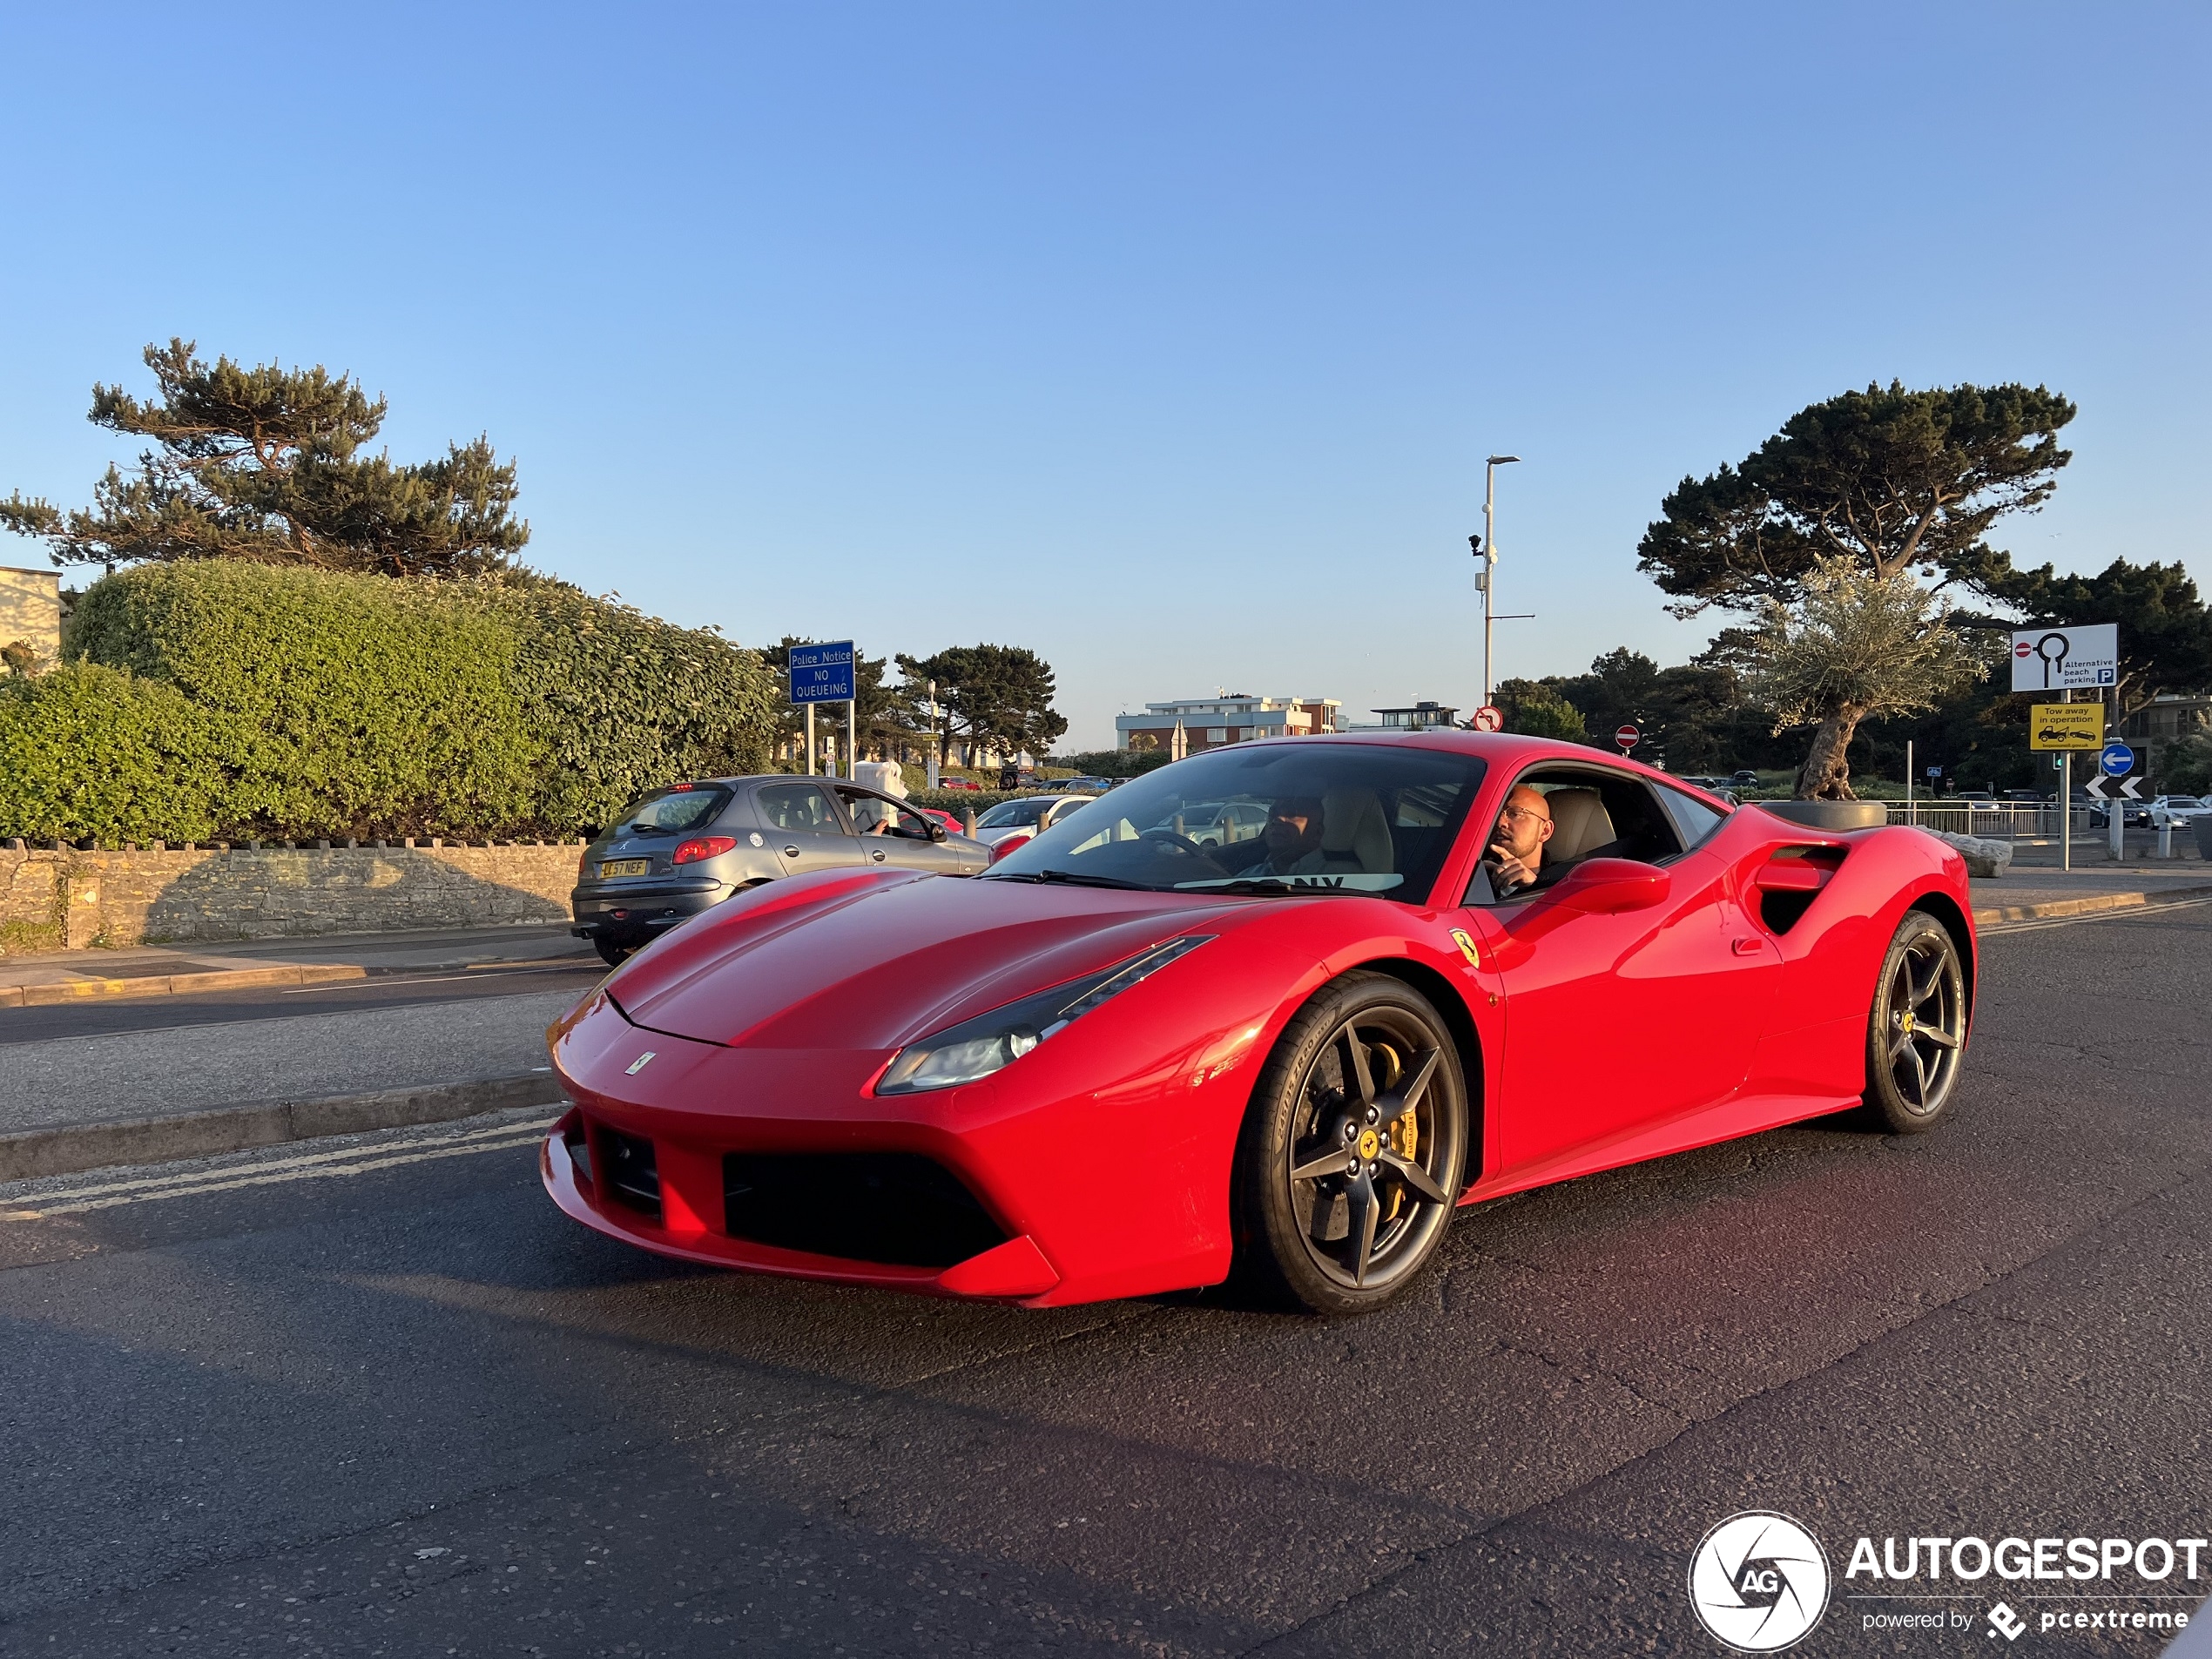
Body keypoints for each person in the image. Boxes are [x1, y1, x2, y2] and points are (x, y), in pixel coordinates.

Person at [1225, 797, 1328, 877]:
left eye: (1291, 815)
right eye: (1272, 815)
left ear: (1318, 833)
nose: (1277, 820)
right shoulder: (1246, 878)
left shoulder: (1337, 877)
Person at [1484, 785, 1554, 898]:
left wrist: (1533, 889)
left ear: (1545, 831)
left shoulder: (1565, 887)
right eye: (1495, 814)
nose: (1500, 823)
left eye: (1515, 814)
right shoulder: (1464, 872)